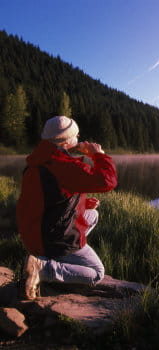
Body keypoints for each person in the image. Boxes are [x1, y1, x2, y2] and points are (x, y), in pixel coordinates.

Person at [17, 115, 117, 300]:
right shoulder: (62, 165)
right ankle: (44, 268)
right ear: (66, 140)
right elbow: (107, 181)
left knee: (92, 214)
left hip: (35, 234)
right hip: (53, 239)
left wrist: (84, 204)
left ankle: (51, 258)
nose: (79, 139)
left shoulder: (40, 160)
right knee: (96, 273)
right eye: (76, 135)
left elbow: (47, 200)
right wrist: (98, 155)